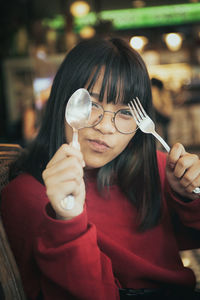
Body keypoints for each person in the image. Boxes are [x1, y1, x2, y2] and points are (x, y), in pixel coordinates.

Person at [1, 38, 200, 300]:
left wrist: (188, 197)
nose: (105, 127)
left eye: (127, 112)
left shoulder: (157, 166)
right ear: (62, 101)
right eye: (92, 105)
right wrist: (68, 220)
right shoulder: (27, 196)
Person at [151, 77, 173, 145]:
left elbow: (157, 104)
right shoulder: (164, 91)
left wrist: (164, 111)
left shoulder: (154, 90)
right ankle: (165, 146)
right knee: (164, 132)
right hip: (164, 114)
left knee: (157, 131)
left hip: (159, 114)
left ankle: (160, 146)